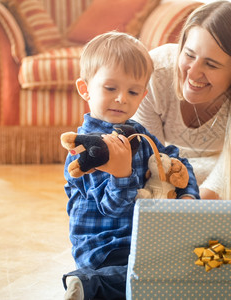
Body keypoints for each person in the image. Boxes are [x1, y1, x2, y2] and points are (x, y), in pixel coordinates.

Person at [62, 31, 199, 300]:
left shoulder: (140, 133)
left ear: (142, 94)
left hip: (143, 239)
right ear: (85, 88)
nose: (122, 98)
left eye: (133, 91)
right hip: (103, 246)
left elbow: (175, 158)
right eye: (111, 88)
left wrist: (188, 192)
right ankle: (88, 284)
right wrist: (122, 173)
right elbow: (110, 208)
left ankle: (108, 284)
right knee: (147, 276)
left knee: (176, 271)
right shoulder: (86, 149)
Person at [132, 1, 231, 201]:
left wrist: (191, 204)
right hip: (165, 175)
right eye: (189, 54)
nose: (193, 72)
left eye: (211, 64)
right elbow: (150, 161)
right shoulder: (154, 72)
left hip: (220, 176)